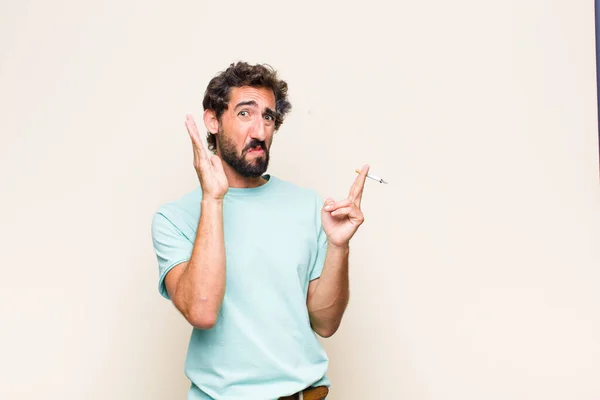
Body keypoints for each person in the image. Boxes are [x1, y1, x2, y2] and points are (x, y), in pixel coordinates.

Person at [151, 61, 370, 400]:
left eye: (268, 117)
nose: (260, 131)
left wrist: (338, 247)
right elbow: (202, 311)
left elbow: (325, 323)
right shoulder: (174, 219)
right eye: (244, 114)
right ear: (212, 120)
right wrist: (213, 198)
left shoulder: (308, 206)